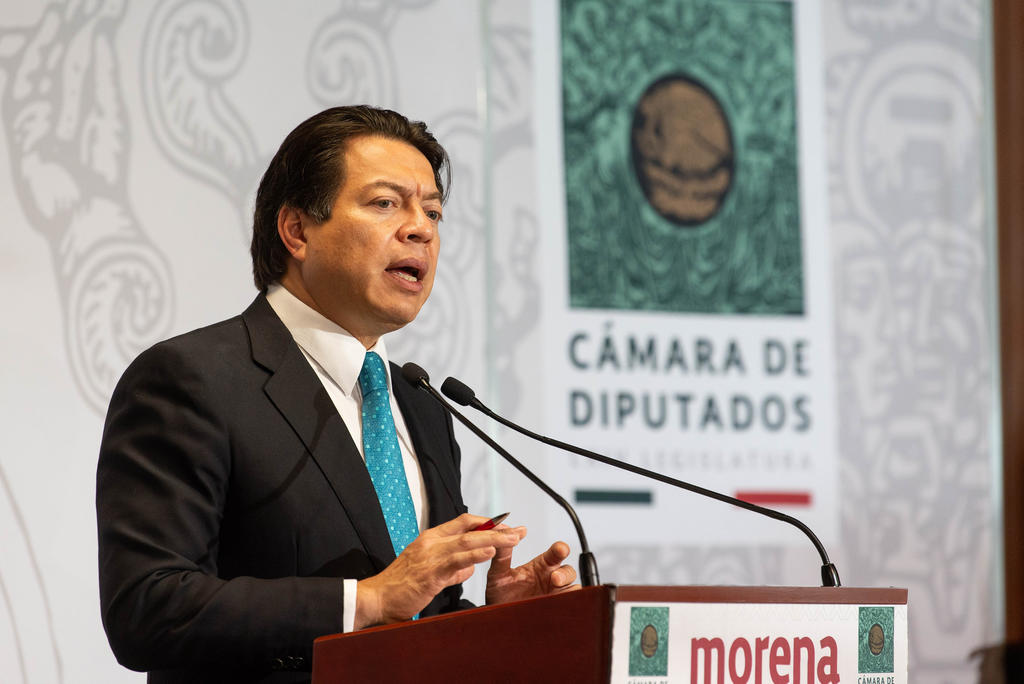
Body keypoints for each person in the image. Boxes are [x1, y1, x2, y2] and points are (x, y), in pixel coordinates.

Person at [96, 105, 577, 683]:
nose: (421, 229)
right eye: (386, 203)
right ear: (297, 231)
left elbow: (410, 622)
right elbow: (146, 608)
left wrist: (493, 622)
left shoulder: (422, 405)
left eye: (432, 211)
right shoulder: (193, 380)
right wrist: (366, 599)